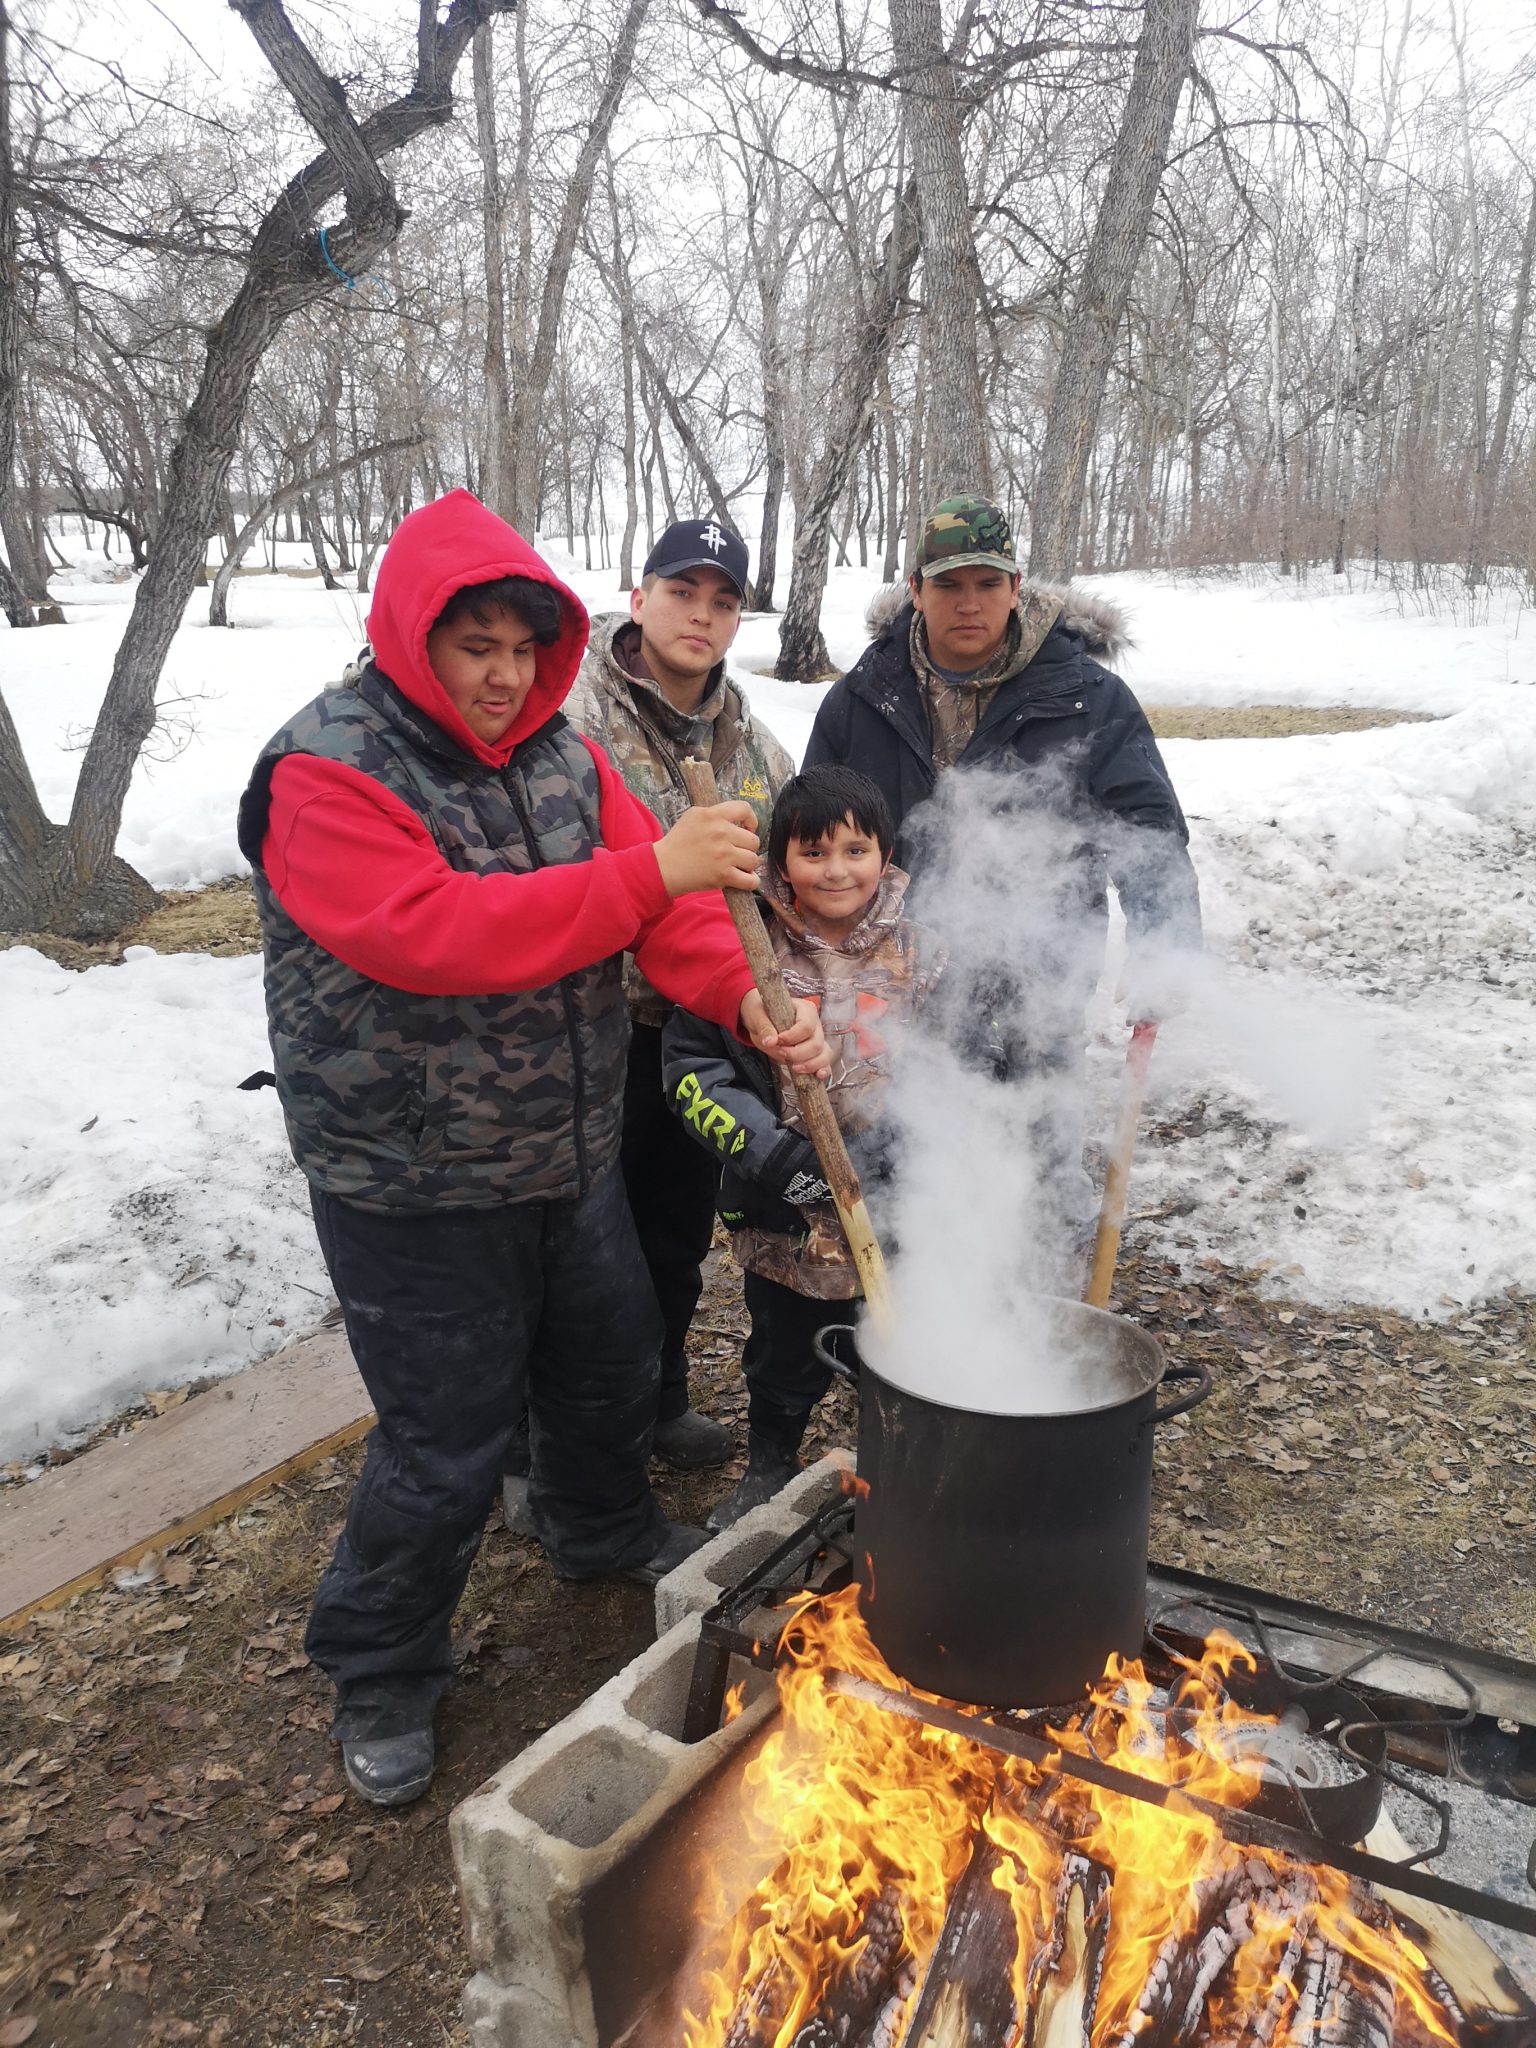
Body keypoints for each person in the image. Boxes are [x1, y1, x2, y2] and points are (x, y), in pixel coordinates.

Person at [235, 490, 827, 1807]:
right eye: (474, 648)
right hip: (411, 1177)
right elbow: (433, 935)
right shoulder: (324, 770)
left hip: (566, 1153)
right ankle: (381, 1661)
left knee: (610, 1362)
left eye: (521, 648)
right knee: (445, 1439)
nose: (504, 677)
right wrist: (651, 878)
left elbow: (665, 925)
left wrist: (746, 1005)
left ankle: (598, 1527)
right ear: (411, 637)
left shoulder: (565, 761)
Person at [802, 493, 1200, 1278]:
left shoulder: (1088, 697)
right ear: (915, 589)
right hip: (897, 984)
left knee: (1038, 1155)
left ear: (1018, 587)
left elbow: (1149, 832)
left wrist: (1165, 948)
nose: (969, 603)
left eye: (988, 583)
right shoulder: (863, 697)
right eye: (950, 585)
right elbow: (817, 835)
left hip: (1038, 979)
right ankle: (924, 1331)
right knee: (912, 1154)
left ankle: (1041, 1320)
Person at [558, 517, 795, 1479]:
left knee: (672, 1233)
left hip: (695, 1031)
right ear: (639, 595)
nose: (701, 615)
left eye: (723, 600)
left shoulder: (756, 747)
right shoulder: (567, 721)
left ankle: (655, 1403)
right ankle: (552, 1448)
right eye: (682, 592)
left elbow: (792, 870)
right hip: (582, 1027)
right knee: (579, 1249)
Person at [662, 764, 944, 1529]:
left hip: (900, 1202)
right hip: (787, 1212)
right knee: (784, 1347)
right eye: (813, 852)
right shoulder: (742, 951)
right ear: (779, 860)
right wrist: (780, 1161)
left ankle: (901, 1463)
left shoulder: (925, 954)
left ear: (886, 853)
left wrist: (926, 1155)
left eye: (857, 849)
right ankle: (770, 1459)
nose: (837, 869)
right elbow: (692, 1075)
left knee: (896, 1339)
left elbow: (970, 1065)